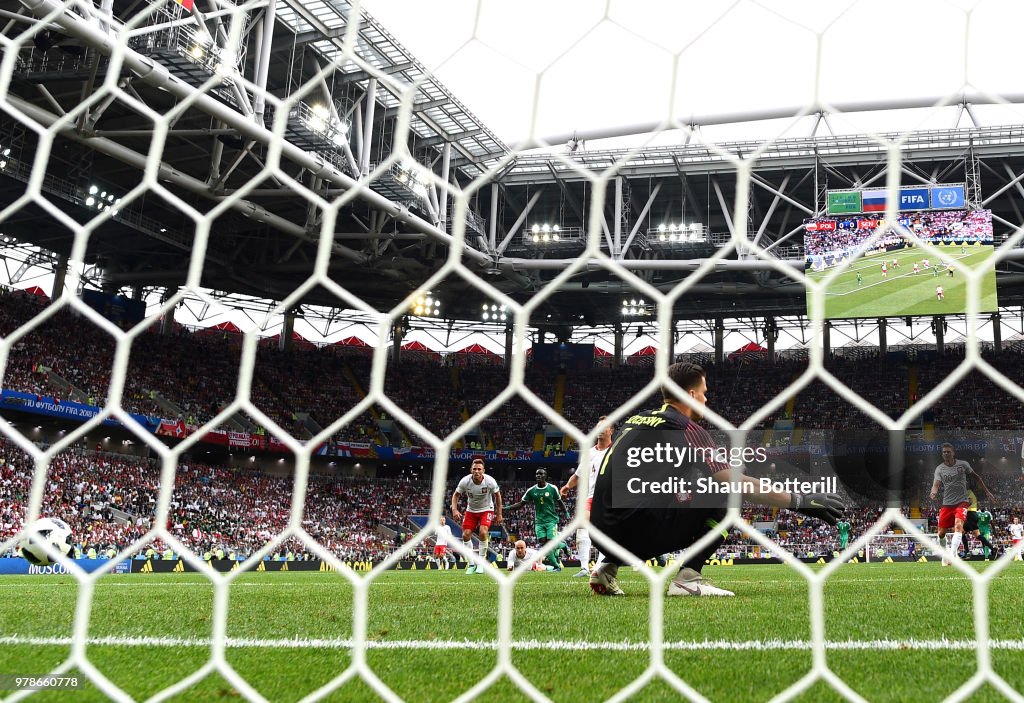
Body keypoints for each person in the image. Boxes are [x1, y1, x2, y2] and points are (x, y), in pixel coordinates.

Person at [588, 362, 845, 597]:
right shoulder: (686, 429)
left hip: (600, 534)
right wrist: (799, 500)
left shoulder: (633, 422)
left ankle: (606, 568)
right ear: (690, 395)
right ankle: (688, 578)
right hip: (636, 534)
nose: (706, 398)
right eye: (704, 392)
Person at [560, 416, 613, 577]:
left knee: (607, 532)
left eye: (604, 427)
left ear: (611, 431)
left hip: (611, 498)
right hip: (591, 497)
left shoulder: (616, 451)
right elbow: (578, 475)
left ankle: (599, 566)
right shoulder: (589, 453)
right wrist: (568, 486)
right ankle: (584, 567)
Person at [930, 443, 994, 566]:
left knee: (958, 526)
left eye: (948, 451)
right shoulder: (939, 469)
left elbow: (977, 477)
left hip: (962, 502)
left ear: (953, 452)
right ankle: (945, 554)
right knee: (941, 533)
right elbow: (936, 483)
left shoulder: (963, 464)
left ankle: (952, 555)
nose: (946, 454)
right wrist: (933, 491)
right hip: (947, 504)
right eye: (944, 452)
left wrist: (987, 492)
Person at [507, 468, 569, 571]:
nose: (538, 476)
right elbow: (521, 504)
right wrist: (507, 508)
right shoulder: (531, 491)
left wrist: (566, 513)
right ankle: (562, 545)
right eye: (537, 474)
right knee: (544, 544)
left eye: (541, 474)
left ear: (545, 476)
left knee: (549, 546)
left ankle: (557, 567)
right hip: (539, 522)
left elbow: (559, 501)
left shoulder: (552, 488)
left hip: (551, 521)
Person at [451, 458, 502, 574]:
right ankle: (471, 564)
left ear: (483, 470)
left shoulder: (490, 481)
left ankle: (481, 563)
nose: (477, 471)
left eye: (479, 469)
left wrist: (499, 514)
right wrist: (454, 510)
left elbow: (498, 496)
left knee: (483, 532)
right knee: (465, 535)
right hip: (471, 511)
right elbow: (455, 496)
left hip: (487, 510)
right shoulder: (465, 481)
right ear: (471, 470)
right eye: (474, 469)